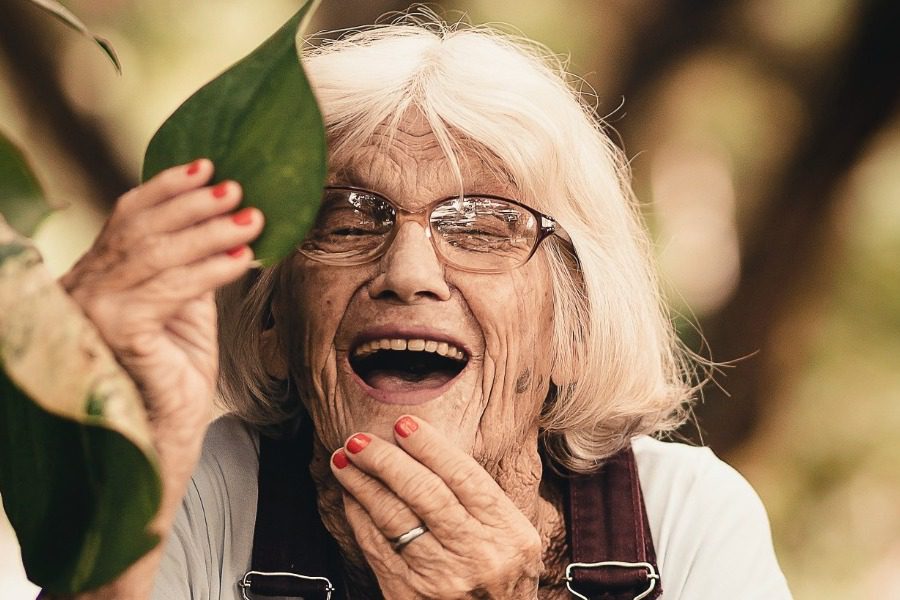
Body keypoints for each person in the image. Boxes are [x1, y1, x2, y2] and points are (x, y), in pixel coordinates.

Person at [55, 14, 791, 600]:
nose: (408, 274)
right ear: (274, 319)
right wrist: (127, 440)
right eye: (344, 221)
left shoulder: (685, 518)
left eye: (480, 225)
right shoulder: (194, 488)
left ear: (571, 323)